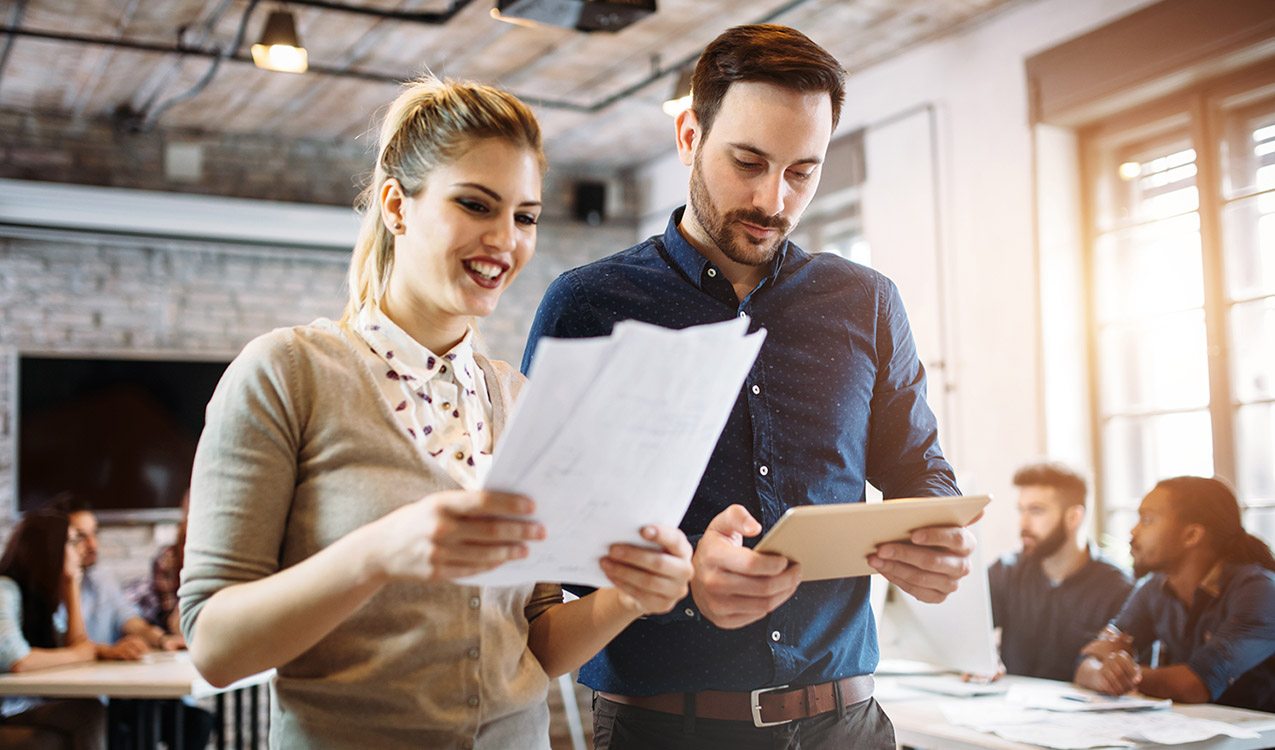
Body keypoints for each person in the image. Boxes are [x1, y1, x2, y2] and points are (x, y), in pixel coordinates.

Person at [178, 76, 695, 750]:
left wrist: (628, 597)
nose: (504, 240)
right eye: (475, 205)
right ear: (396, 204)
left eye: (525, 216)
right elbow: (214, 646)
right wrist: (377, 553)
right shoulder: (286, 373)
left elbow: (534, 640)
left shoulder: (517, 398)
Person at [523, 24, 975, 750]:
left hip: (849, 726)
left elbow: (919, 470)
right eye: (748, 161)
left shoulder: (866, 301)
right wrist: (680, 582)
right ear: (688, 134)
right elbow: (546, 546)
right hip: (663, 730)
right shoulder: (587, 307)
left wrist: (935, 541)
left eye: (803, 171)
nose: (773, 199)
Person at [1074, 476, 1275, 712]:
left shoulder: (1260, 592)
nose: (1133, 530)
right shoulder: (1154, 589)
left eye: (1147, 520)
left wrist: (1127, 675)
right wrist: (1104, 674)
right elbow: (1086, 661)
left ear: (1191, 535)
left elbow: (1196, 685)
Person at [986, 462, 1133, 681]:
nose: (1023, 523)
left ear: (1074, 517)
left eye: (1036, 510)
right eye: (1021, 510)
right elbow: (965, 630)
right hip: (1008, 705)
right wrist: (984, 658)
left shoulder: (1117, 587)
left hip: (1084, 711)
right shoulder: (1006, 571)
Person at [0, 511, 107, 750]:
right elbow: (18, 660)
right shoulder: (4, 589)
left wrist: (72, 586)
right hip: (6, 713)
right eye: (71, 542)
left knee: (89, 710)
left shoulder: (38, 599)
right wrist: (85, 653)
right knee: (61, 735)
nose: (79, 550)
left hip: (17, 710)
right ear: (49, 550)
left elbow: (73, 647)